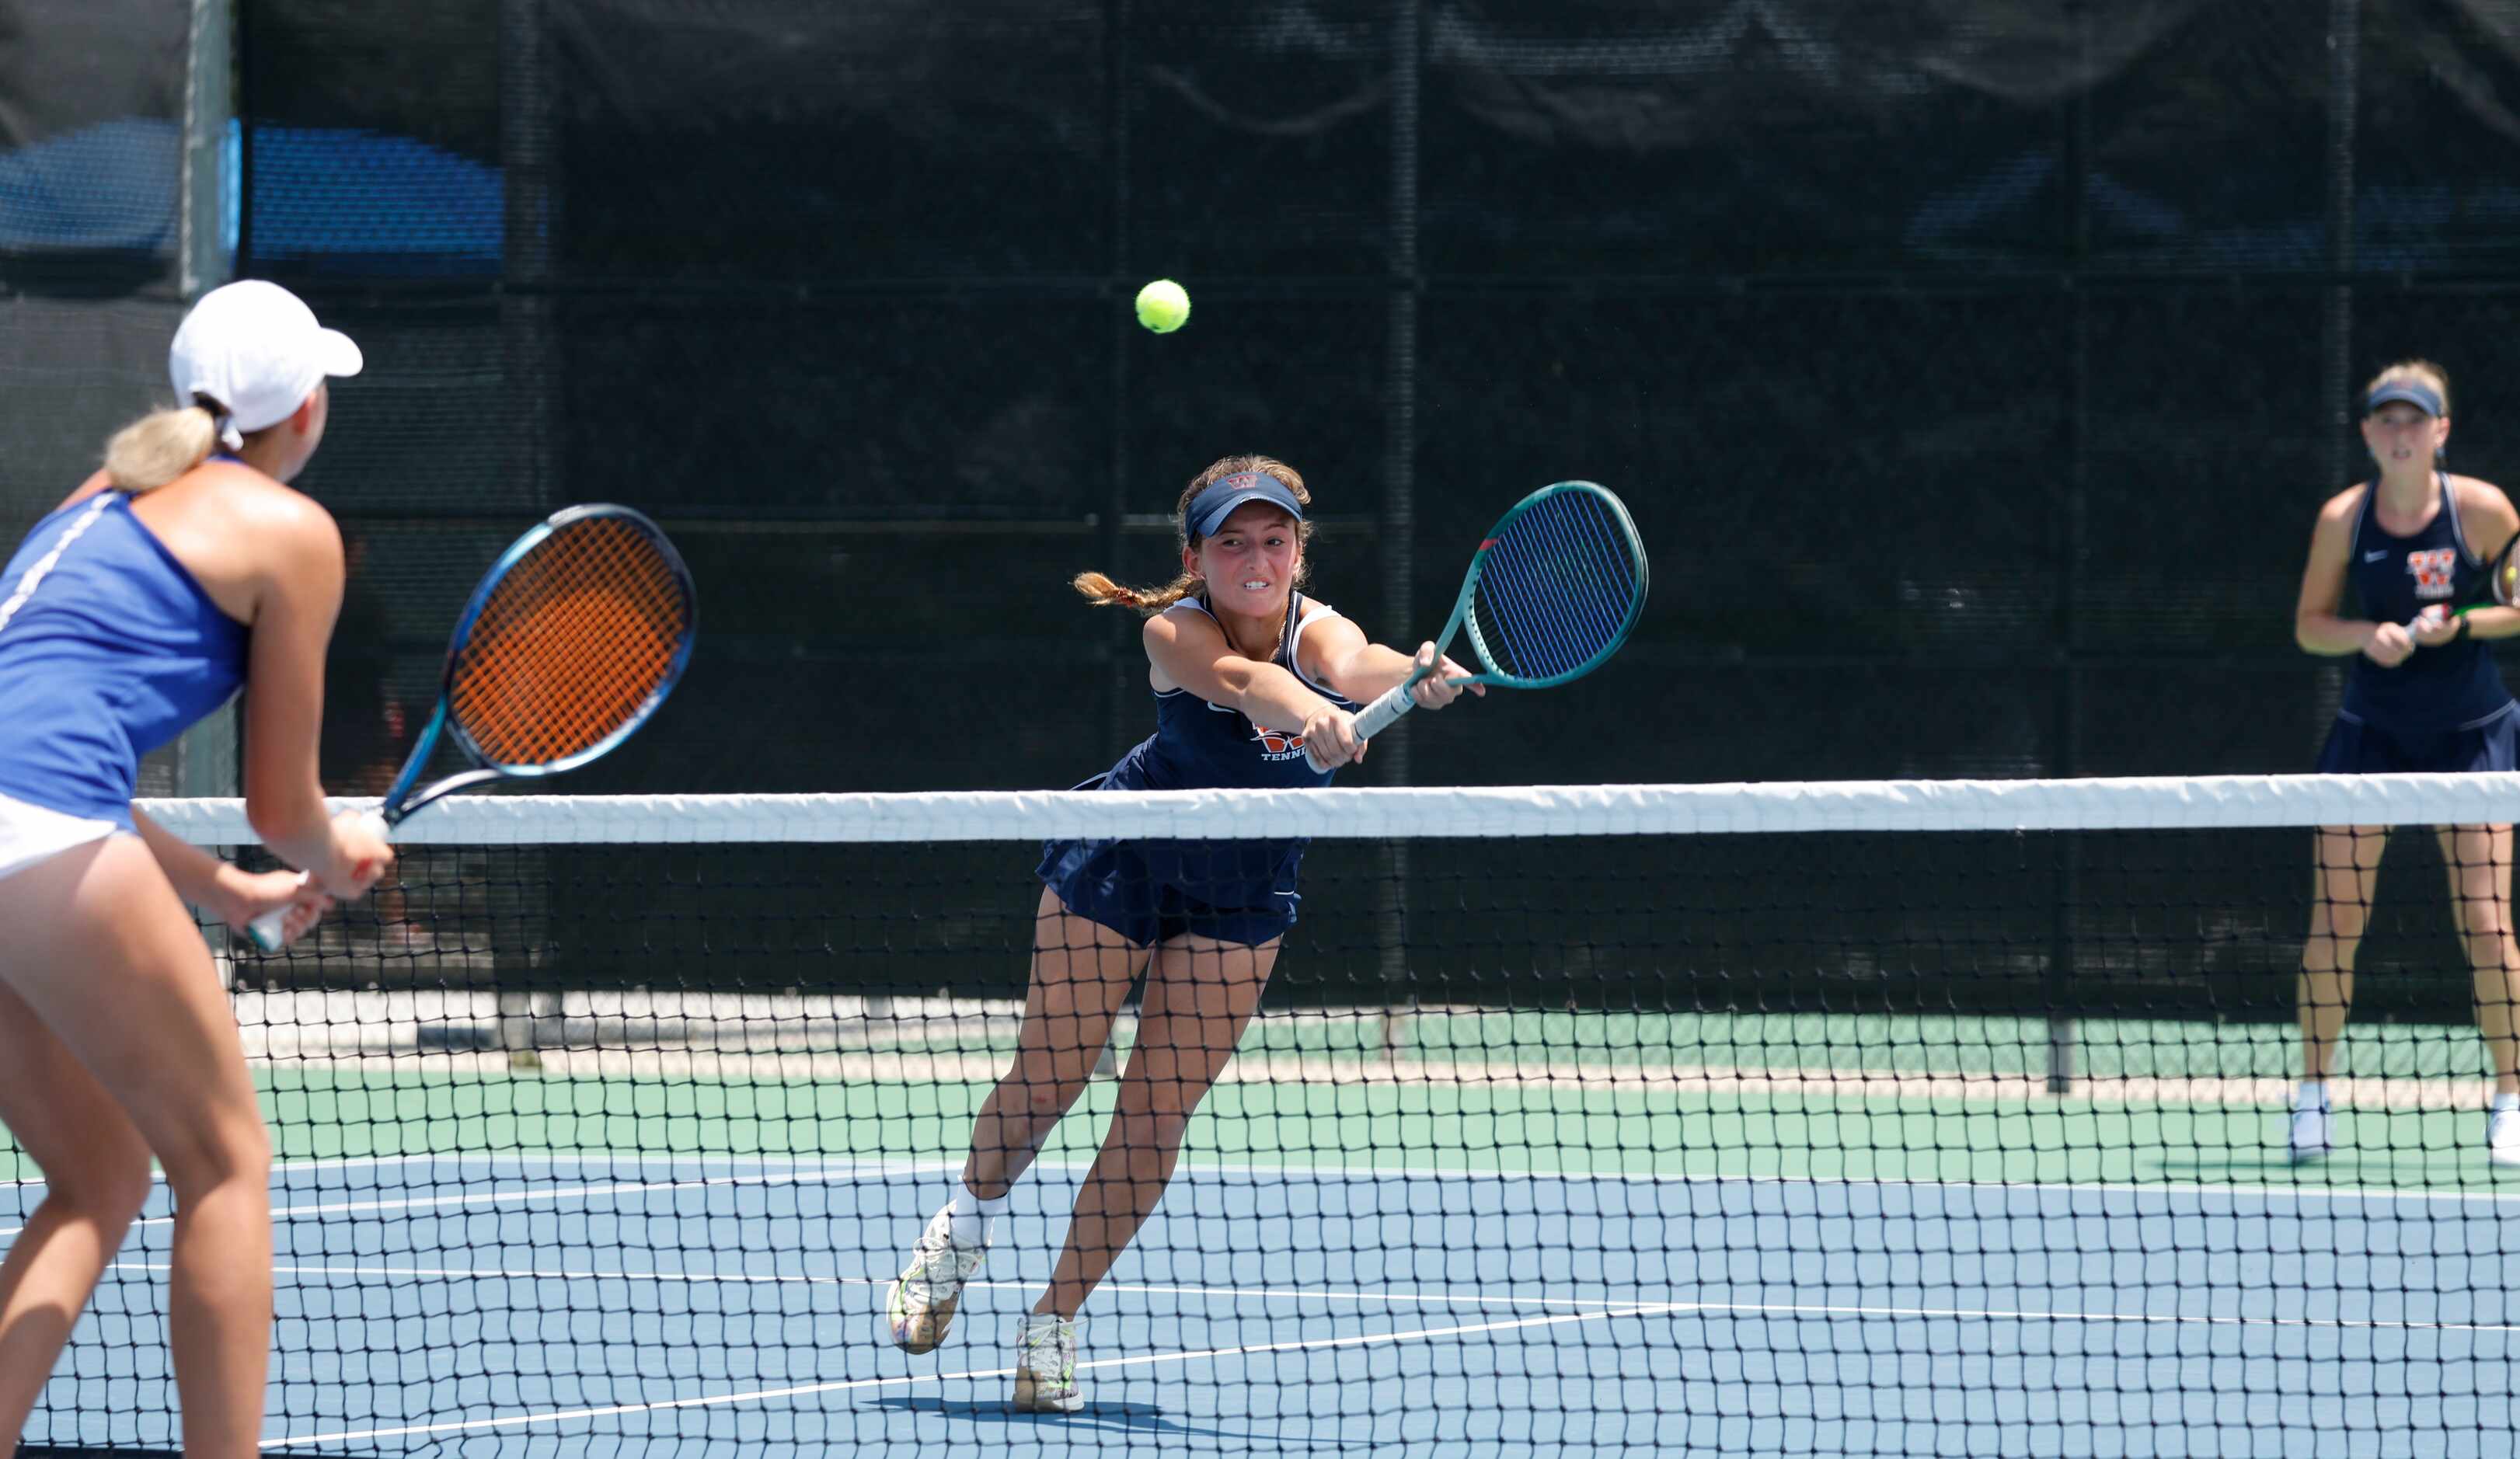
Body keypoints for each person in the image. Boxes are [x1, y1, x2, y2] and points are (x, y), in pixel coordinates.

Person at [883, 454, 1479, 1412]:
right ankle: (959, 1238)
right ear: (1197, 557)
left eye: (1274, 539)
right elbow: (1247, 682)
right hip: (1127, 855)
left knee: (1156, 1114)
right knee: (1051, 1078)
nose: (1257, 556)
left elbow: (1355, 662)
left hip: (1243, 886)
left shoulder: (1319, 626)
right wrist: (1317, 718)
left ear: (1297, 552)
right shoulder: (1174, 629)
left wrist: (1413, 673)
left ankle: (1053, 1325)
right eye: (1233, 541)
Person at [0, 279, 395, 1456]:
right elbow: (285, 805)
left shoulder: (95, 501)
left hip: (33, 835)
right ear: (307, 412)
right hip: (45, 840)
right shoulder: (293, 534)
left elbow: (58, 760)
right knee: (224, 1164)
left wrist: (228, 891)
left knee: (97, 1173)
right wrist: (338, 850)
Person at [2291, 360, 2520, 1166]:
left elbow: (2518, 605)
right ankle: (2312, 1097)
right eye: (2385, 420)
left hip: (2475, 738)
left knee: (2490, 928)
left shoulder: (2484, 511)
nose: (2399, 433)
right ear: (2366, 434)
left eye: (2414, 420)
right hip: (2371, 738)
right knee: (2336, 925)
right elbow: (2311, 626)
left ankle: (2512, 1097)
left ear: (2441, 432)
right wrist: (2366, 637)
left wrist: (2461, 624)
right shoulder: (2342, 521)